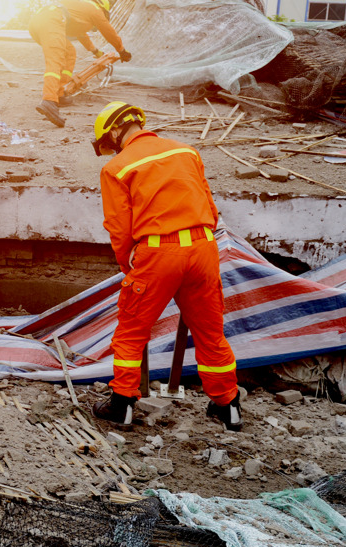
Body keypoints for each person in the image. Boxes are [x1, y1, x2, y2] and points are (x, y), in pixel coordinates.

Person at [90, 101, 241, 430]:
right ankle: (228, 406)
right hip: (203, 247)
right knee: (211, 334)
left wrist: (129, 268)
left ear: (115, 130)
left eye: (107, 141)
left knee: (131, 332)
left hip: (158, 253)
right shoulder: (187, 152)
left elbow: (119, 228)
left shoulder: (116, 167)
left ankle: (122, 405)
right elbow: (210, 207)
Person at [28, 0, 130, 127]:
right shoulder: (95, 9)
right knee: (55, 58)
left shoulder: (81, 10)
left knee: (69, 52)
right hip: (52, 20)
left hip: (40, 21)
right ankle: (49, 100)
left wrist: (96, 51)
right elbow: (107, 30)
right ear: (103, 8)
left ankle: (59, 93)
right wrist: (121, 50)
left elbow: (82, 34)